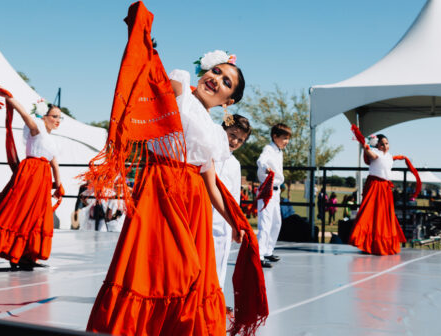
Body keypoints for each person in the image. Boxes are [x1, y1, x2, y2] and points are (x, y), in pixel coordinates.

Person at [85, 3, 267, 335]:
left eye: (226, 82)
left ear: (229, 101)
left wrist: (233, 220)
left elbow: (212, 185)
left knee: (193, 271)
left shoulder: (214, 135)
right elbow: (149, 79)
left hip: (193, 203)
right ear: (205, 71)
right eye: (216, 72)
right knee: (155, 268)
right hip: (160, 191)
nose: (216, 80)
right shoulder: (181, 89)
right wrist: (144, 43)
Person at [0, 85, 63, 270]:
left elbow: (54, 162)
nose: (58, 120)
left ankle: (29, 256)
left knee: (38, 216)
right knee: (22, 212)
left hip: (42, 178)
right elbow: (25, 115)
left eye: (60, 117)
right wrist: (8, 98)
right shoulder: (37, 131)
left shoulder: (51, 140)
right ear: (44, 117)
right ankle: (15, 253)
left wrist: (58, 184)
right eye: (54, 116)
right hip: (31, 174)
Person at [212, 114, 251, 306]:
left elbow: (235, 197)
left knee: (220, 261)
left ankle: (215, 299)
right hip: (202, 215)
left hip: (223, 221)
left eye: (240, 140)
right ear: (223, 131)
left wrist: (237, 225)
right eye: (232, 135)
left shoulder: (235, 165)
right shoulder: (208, 153)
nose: (235, 141)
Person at [348, 134, 407, 255]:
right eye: (382, 144)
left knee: (384, 216)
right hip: (375, 187)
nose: (385, 146)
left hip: (385, 188)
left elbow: (389, 159)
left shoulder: (388, 156)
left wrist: (399, 157)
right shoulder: (376, 153)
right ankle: (369, 243)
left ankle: (382, 243)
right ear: (377, 145)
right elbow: (371, 154)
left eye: (387, 143)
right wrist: (364, 145)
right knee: (371, 214)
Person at [256, 123, 291, 268]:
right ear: (274, 136)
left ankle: (268, 250)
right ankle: (259, 254)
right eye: (284, 138)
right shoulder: (268, 149)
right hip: (267, 190)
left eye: (287, 139)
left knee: (276, 222)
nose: (286, 142)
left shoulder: (279, 151)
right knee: (265, 223)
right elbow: (261, 160)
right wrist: (265, 167)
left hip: (276, 191)